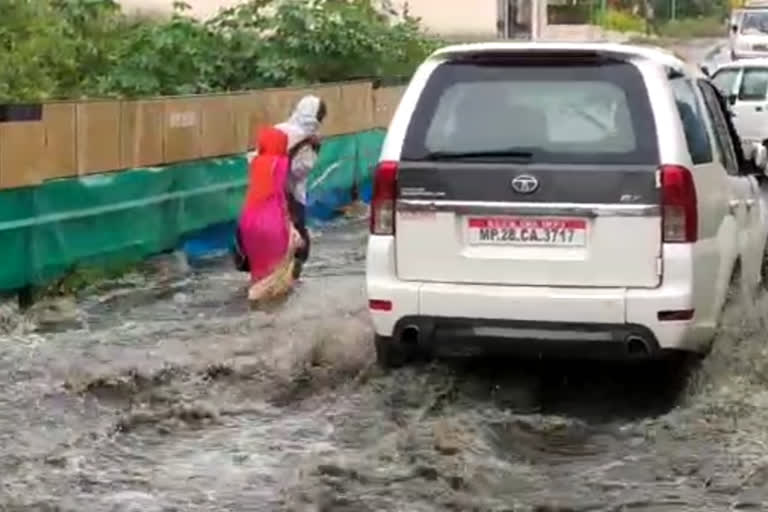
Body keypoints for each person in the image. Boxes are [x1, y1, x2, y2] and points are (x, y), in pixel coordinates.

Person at [236, 127, 304, 304]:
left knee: (258, 268)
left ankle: (255, 297)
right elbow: (282, 196)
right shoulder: (281, 162)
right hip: (271, 221)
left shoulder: (255, 162)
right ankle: (267, 302)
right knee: (277, 269)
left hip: (248, 221)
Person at [275, 95, 327, 279]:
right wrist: (315, 150)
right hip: (292, 197)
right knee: (299, 244)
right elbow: (300, 171)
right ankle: (290, 280)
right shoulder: (305, 137)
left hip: (266, 194)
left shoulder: (278, 128)